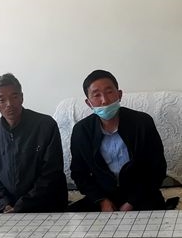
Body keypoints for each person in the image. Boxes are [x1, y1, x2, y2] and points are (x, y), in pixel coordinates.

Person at [69, 69, 167, 211]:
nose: (104, 100)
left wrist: (131, 202)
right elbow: (79, 173)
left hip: (142, 194)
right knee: (71, 219)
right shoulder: (81, 131)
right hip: (103, 195)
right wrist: (101, 200)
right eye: (96, 95)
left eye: (109, 92)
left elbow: (157, 168)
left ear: (119, 94)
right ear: (88, 103)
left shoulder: (142, 123)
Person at [0, 73, 67, 213]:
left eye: (14, 97)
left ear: (22, 97)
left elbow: (51, 174)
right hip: (9, 204)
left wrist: (21, 207)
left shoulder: (46, 125)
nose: (9, 104)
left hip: (44, 202)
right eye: (2, 100)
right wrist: (5, 204)